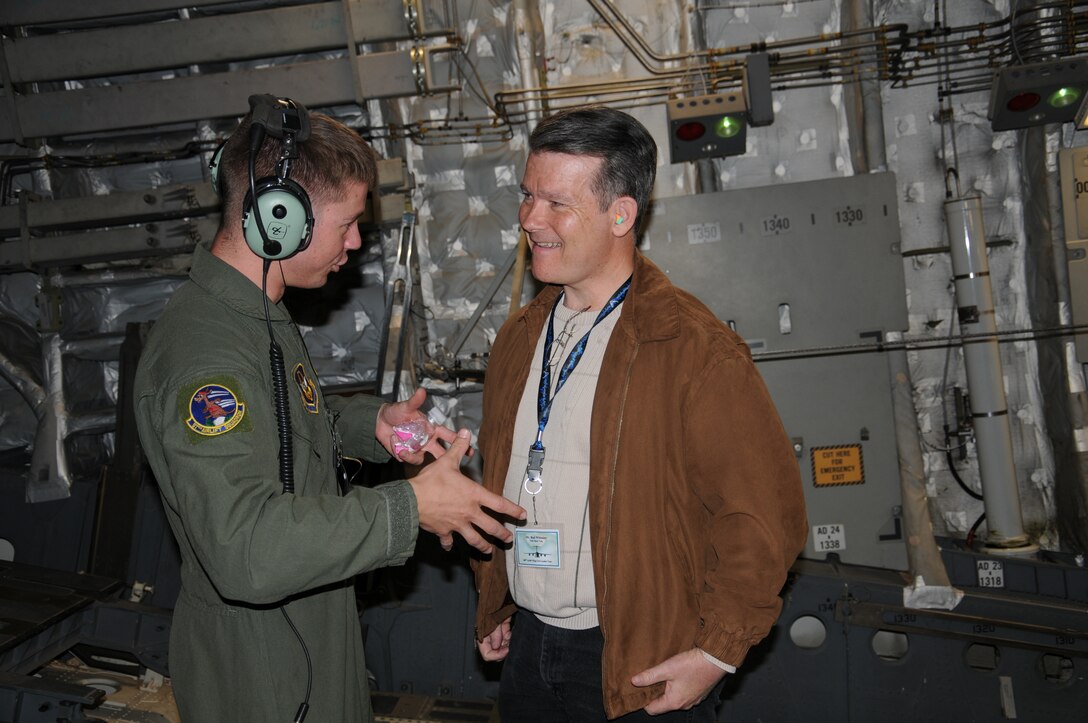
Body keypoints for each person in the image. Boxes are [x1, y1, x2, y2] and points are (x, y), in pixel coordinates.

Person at [133, 96, 525, 722]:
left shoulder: (255, 315)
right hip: (263, 680)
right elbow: (246, 547)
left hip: (308, 643)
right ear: (277, 218)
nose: (356, 242)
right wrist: (411, 507)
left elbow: (281, 426)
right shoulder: (208, 358)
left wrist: (370, 426)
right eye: (346, 222)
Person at [472, 106, 808, 721]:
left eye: (556, 204)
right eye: (526, 196)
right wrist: (499, 595)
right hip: (529, 647)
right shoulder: (519, 338)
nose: (528, 219)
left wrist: (716, 653)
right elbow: (508, 478)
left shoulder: (693, 348)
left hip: (636, 660)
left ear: (620, 214)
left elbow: (762, 519)